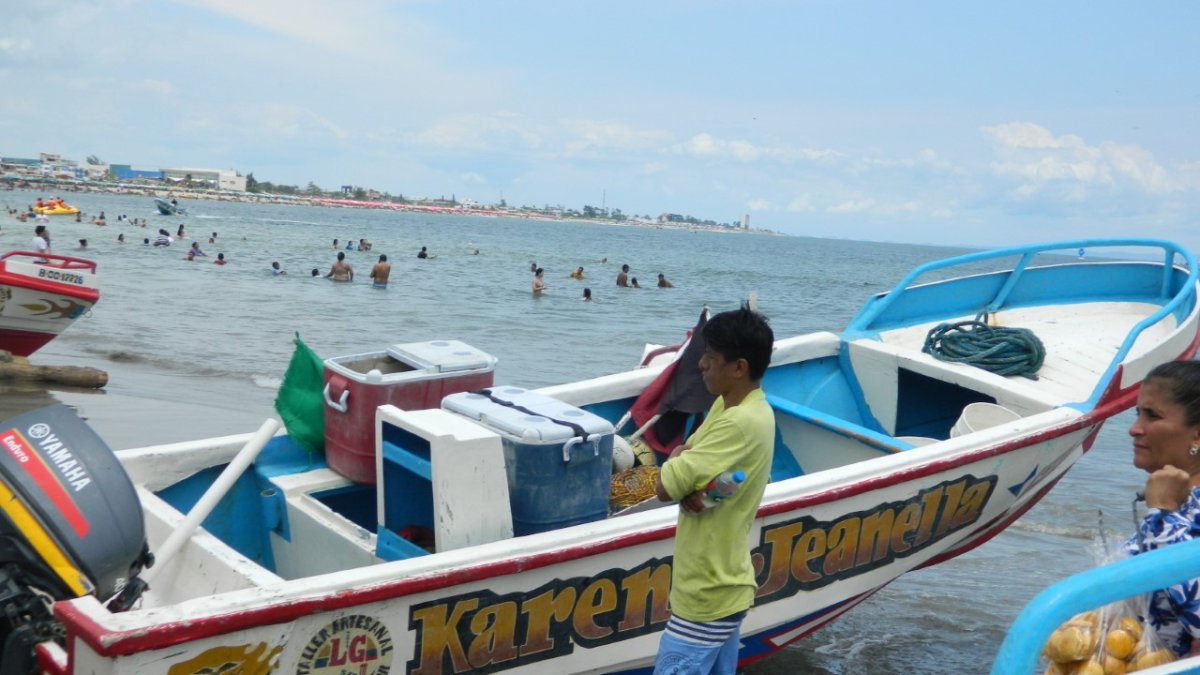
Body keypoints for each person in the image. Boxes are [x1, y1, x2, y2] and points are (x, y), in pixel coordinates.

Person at [653, 305, 775, 674]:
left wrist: (676, 461)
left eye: (709, 357)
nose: (701, 365)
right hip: (724, 587)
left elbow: (666, 484)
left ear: (738, 367)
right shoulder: (739, 407)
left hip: (707, 594)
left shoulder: (738, 423)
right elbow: (738, 477)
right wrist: (706, 495)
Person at [1122, 360, 1200, 657]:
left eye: (1152, 416)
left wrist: (1164, 516)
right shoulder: (1183, 502)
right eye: (1137, 413)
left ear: (1197, 435)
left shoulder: (1169, 510)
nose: (1134, 429)